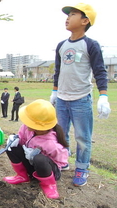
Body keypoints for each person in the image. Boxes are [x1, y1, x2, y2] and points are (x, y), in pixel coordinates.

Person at [49, 3, 111, 187]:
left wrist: (104, 96)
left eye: (73, 14)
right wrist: (54, 91)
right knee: (62, 134)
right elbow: (58, 71)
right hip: (61, 99)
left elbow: (99, 71)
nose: (68, 18)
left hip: (81, 99)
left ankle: (82, 168)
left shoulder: (90, 44)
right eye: (68, 15)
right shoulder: (61, 45)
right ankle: (63, 161)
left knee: (83, 137)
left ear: (85, 21)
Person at [3, 99, 68, 199]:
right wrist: (15, 140)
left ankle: (49, 185)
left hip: (48, 171)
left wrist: (40, 156)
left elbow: (62, 161)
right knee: (11, 147)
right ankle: (22, 176)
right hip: (32, 165)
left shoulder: (51, 144)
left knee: (40, 159)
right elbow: (22, 139)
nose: (27, 125)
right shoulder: (26, 128)